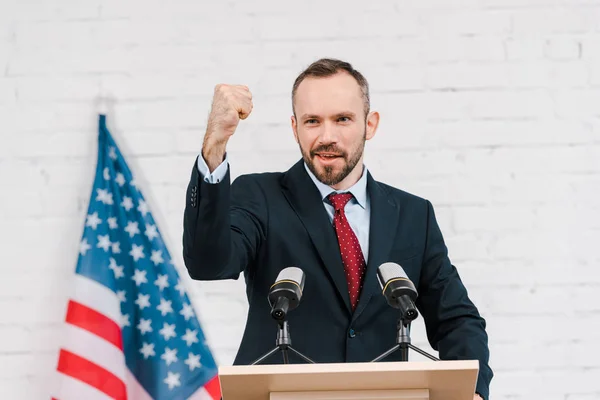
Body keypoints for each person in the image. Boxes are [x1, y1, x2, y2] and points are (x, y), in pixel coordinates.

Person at [182, 58, 492, 399]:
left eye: (342, 119)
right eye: (312, 121)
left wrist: (471, 392)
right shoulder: (259, 196)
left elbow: (457, 319)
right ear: (294, 127)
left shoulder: (414, 214)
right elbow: (207, 263)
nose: (326, 137)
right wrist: (214, 146)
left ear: (369, 124)